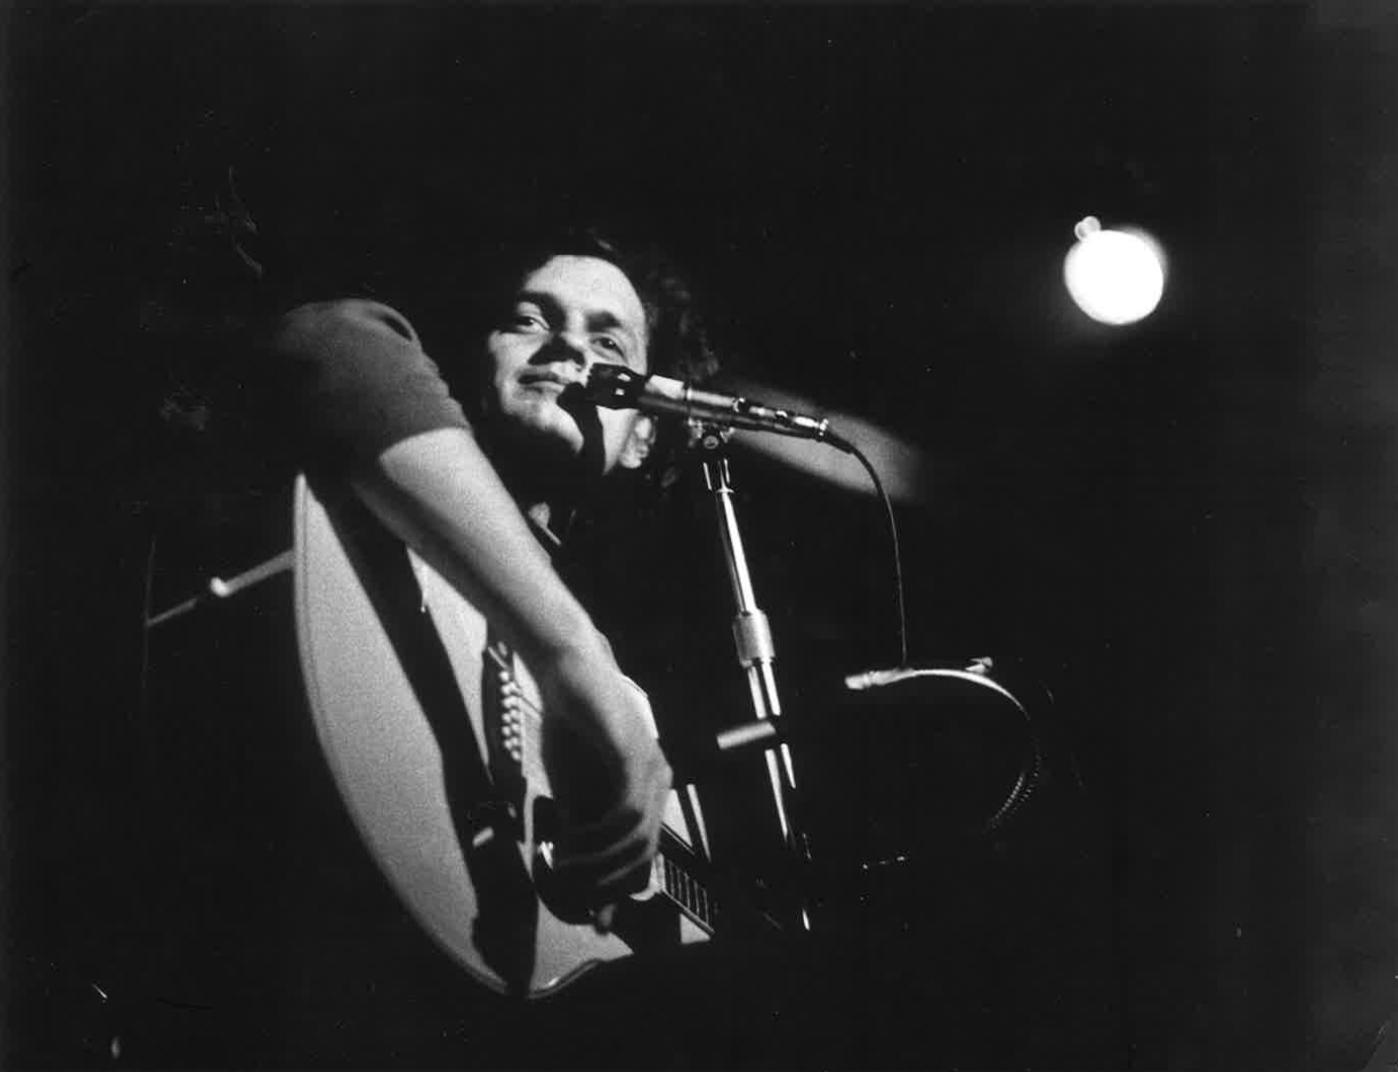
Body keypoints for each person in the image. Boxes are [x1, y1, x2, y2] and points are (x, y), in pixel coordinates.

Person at [265, 228, 719, 926]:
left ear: (646, 436)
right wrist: (577, 657)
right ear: (480, 362)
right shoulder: (373, 499)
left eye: (609, 345)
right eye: (530, 320)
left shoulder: (633, 706)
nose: (567, 348)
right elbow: (334, 341)